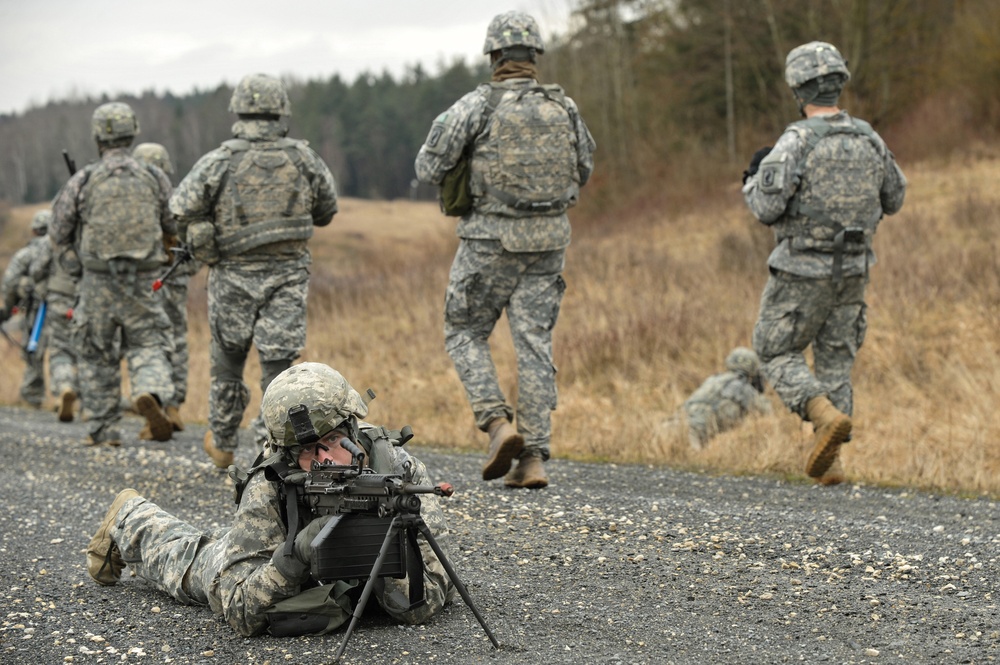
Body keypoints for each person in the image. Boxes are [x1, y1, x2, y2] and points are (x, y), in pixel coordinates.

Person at [86, 362, 456, 637]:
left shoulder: (398, 474)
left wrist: (380, 546)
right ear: (289, 454)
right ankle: (131, 517)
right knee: (194, 563)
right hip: (280, 554)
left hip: (329, 579)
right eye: (309, 451)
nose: (324, 460)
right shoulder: (271, 485)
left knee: (225, 542)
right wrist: (294, 557)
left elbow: (433, 590)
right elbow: (240, 609)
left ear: (353, 430)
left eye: (332, 443)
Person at [414, 11, 596, 490]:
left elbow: (429, 165)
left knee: (463, 331)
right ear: (535, 56)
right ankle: (532, 459)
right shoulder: (565, 107)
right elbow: (586, 165)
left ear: (494, 56)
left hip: (489, 243)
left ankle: (497, 426)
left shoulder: (476, 105)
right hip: (549, 243)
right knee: (534, 344)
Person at [742, 42, 907, 485]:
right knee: (835, 359)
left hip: (801, 271)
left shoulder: (795, 140)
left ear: (798, 89)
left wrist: (752, 177)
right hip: (853, 270)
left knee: (774, 349)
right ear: (839, 83)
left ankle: (820, 412)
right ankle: (832, 462)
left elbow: (764, 207)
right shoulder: (870, 137)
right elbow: (896, 197)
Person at [170, 73, 338, 470]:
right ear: (281, 112)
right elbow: (327, 211)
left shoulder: (219, 160)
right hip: (286, 275)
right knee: (278, 367)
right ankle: (273, 449)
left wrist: (202, 232)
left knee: (228, 360)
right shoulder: (304, 158)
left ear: (239, 112)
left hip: (231, 275)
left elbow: (181, 206)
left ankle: (224, 442)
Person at [50, 101, 177, 446]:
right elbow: (172, 222)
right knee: (148, 343)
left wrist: (77, 269)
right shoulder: (153, 176)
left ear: (97, 137)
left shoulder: (84, 178)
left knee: (96, 352)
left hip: (97, 280)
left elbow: (58, 230)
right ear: (132, 132)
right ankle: (148, 390)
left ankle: (105, 430)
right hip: (143, 280)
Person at [132, 142, 199, 437]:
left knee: (146, 342)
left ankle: (153, 403)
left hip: (142, 281)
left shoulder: (132, 201)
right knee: (177, 342)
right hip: (175, 280)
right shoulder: (179, 202)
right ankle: (173, 408)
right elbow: (195, 247)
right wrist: (185, 271)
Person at [29, 209, 81, 421]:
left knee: (60, 351)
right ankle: (93, 405)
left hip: (59, 300)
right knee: (90, 352)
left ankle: (65, 388)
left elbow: (36, 270)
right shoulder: (88, 234)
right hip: (88, 301)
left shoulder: (52, 240)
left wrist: (45, 292)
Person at [1, 210, 52, 408]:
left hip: (36, 310)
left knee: (33, 350)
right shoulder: (68, 250)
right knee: (66, 351)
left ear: (33, 231)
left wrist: (8, 309)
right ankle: (69, 389)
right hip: (68, 309)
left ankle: (33, 397)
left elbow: (10, 284)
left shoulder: (26, 254)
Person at [682, 347, 772, 449]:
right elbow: (767, 413)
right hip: (701, 429)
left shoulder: (714, 379)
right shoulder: (743, 387)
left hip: (683, 422)